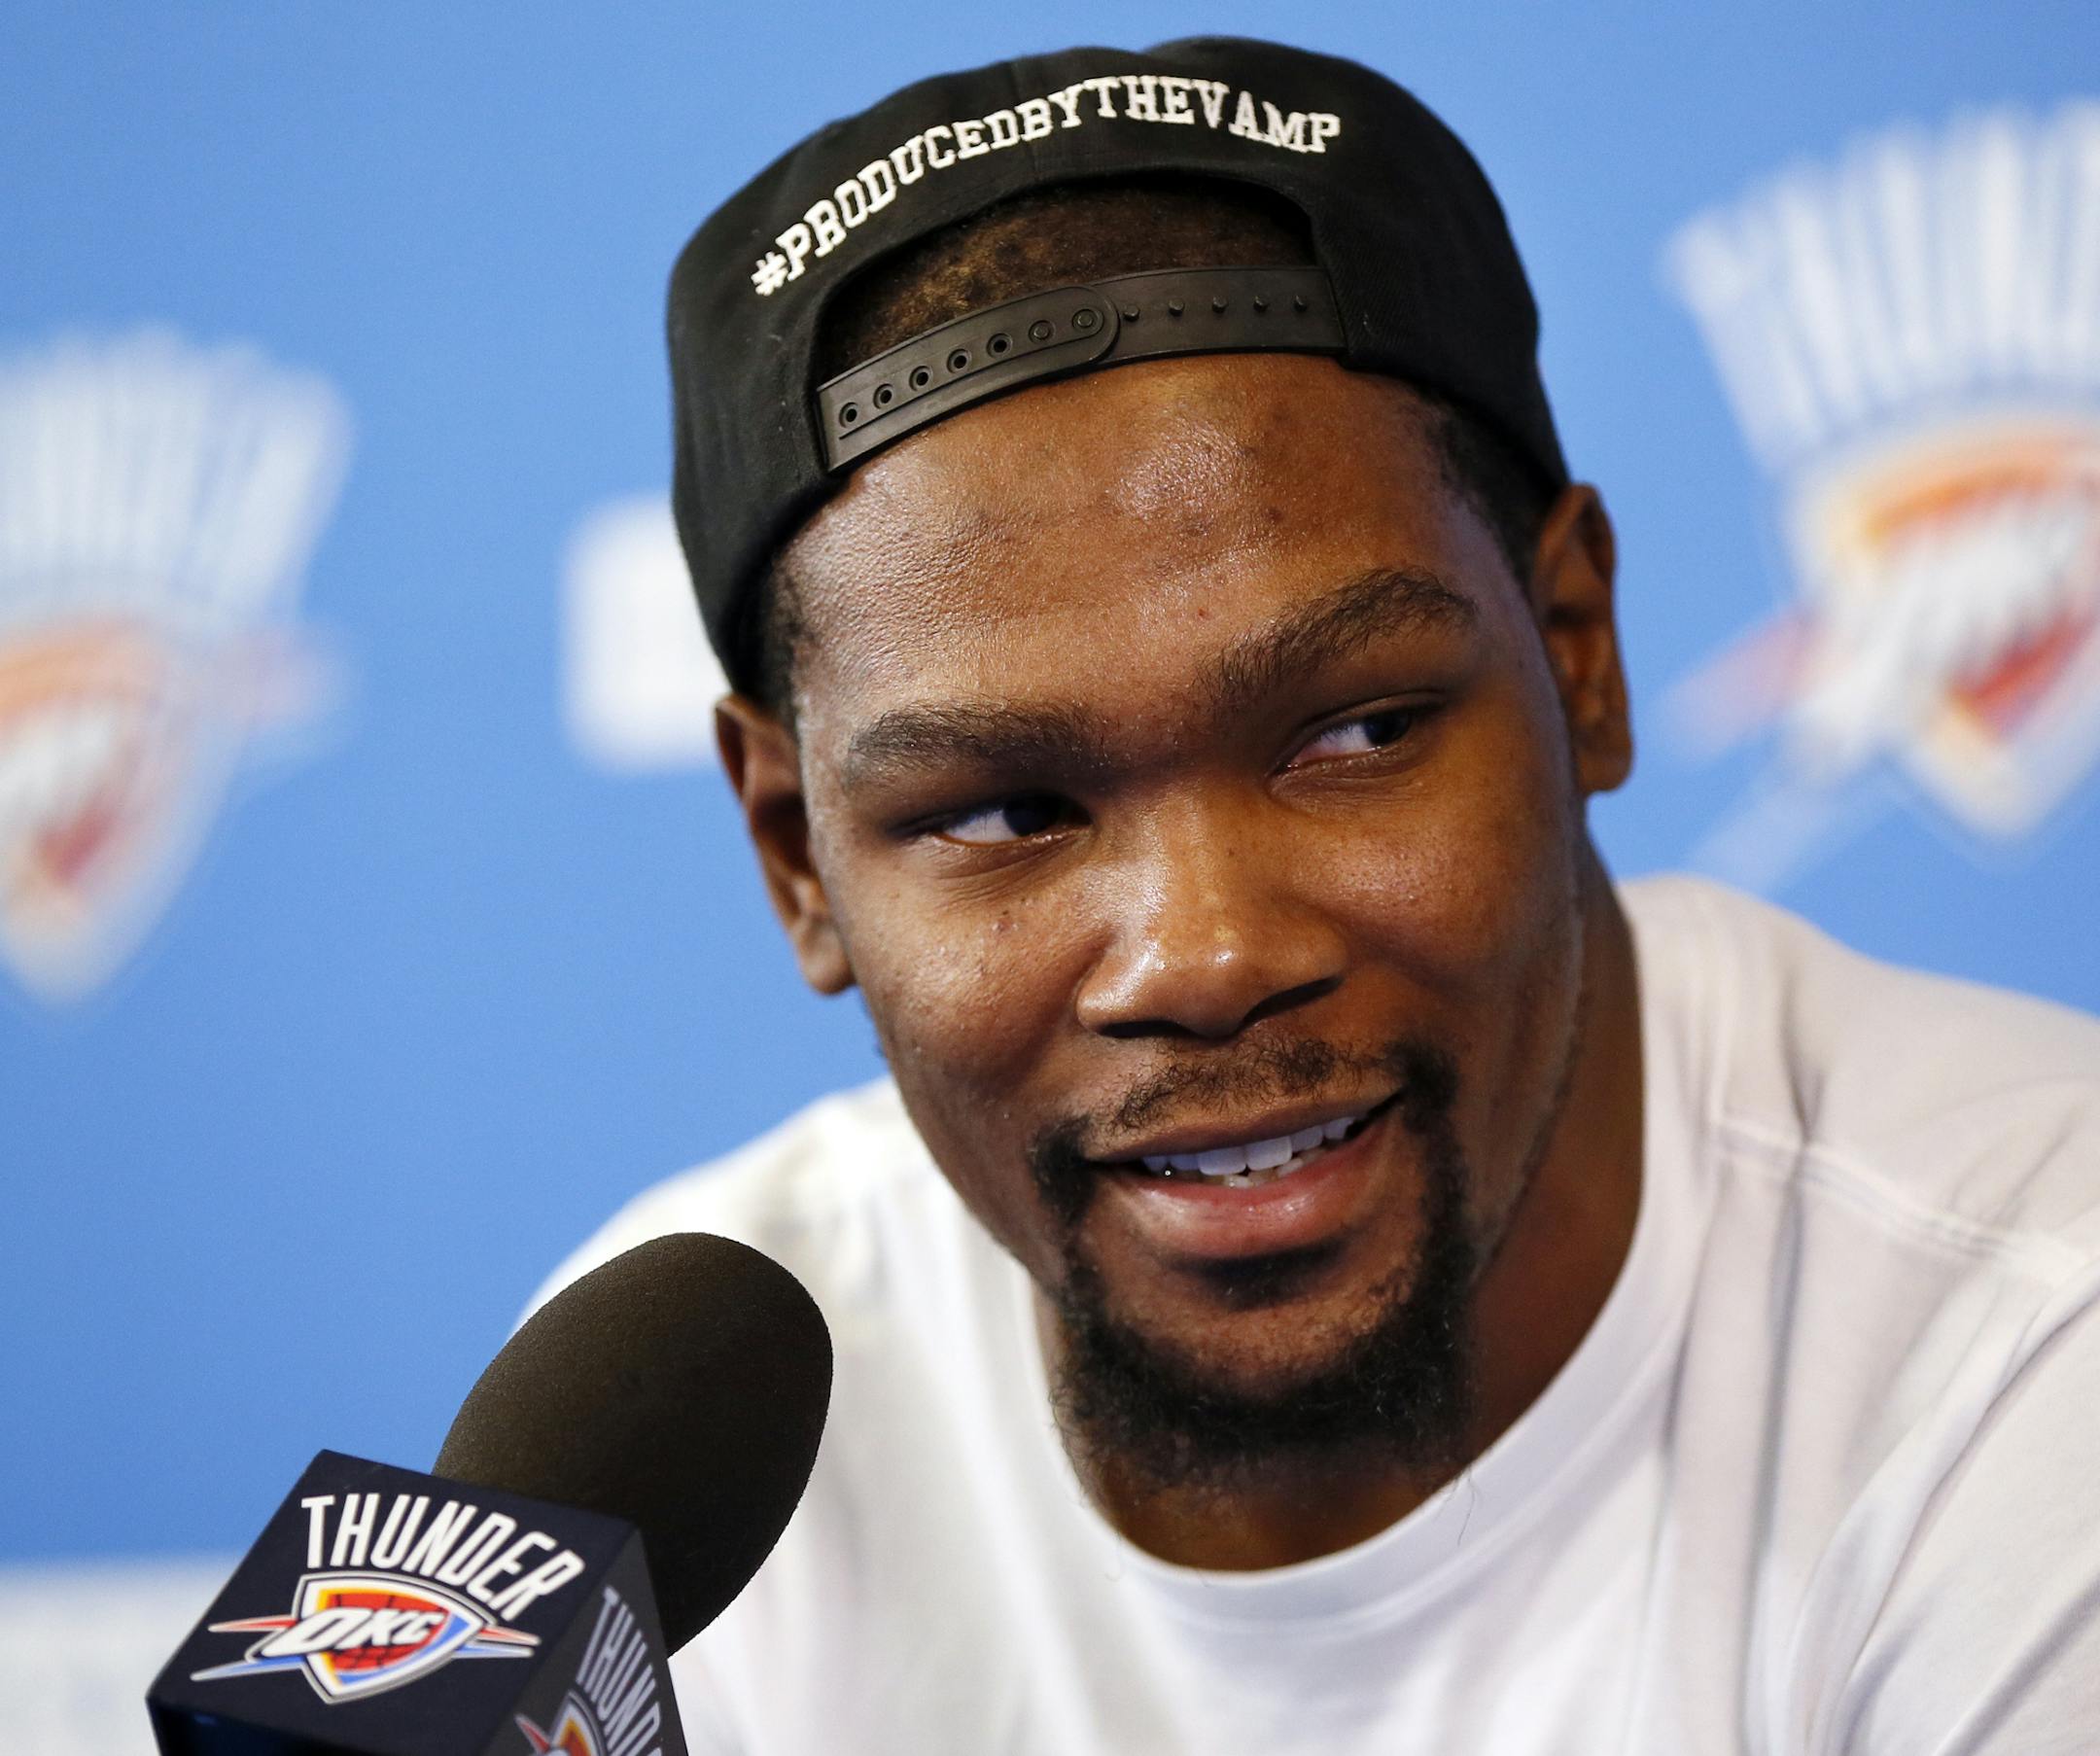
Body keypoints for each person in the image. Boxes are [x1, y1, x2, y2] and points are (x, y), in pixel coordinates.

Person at [541, 36, 2100, 1753]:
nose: (1205, 953)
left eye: (1352, 732)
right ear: (794, 858)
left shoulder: (2036, 1325)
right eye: (1005, 811)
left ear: (1577, 655)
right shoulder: (675, 1468)